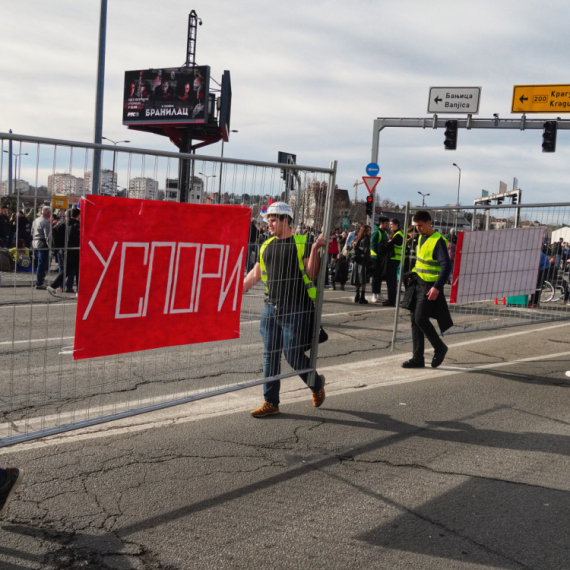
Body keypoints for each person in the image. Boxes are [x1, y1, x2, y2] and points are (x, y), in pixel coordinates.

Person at [243, 202, 327, 418]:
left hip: (296, 307)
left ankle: (316, 383)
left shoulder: (302, 242)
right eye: (267, 220)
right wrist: (234, 291)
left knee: (292, 354)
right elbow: (255, 273)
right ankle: (271, 402)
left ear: (285, 220)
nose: (269, 224)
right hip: (270, 308)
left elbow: (312, 273)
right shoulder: (266, 244)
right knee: (269, 356)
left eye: (273, 219)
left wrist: (316, 249)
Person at [402, 210, 453, 369]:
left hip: (430, 286)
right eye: (416, 226)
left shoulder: (437, 240)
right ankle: (418, 358)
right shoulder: (421, 238)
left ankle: (440, 347)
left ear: (429, 222)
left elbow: (446, 267)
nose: (418, 229)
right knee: (414, 321)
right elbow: (421, 262)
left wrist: (437, 288)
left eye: (420, 226)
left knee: (420, 319)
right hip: (418, 283)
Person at [47, 207, 80, 296]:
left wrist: (57, 247)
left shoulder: (60, 223)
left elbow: (53, 233)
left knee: (67, 270)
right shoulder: (77, 225)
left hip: (63, 251)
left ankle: (53, 286)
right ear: (78, 215)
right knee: (78, 271)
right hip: (75, 251)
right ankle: (79, 291)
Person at [383, 218, 404, 307]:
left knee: (391, 282)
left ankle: (391, 300)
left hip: (394, 259)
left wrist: (388, 242)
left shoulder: (398, 235)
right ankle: (390, 299)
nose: (390, 226)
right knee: (390, 281)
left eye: (391, 224)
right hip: (393, 259)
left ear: (396, 225)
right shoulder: (395, 234)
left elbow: (389, 245)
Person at [30, 206, 52, 289]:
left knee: (40, 262)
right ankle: (39, 282)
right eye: (50, 212)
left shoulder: (36, 220)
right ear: (47, 212)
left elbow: (32, 231)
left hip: (35, 242)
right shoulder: (46, 221)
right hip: (42, 243)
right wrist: (51, 246)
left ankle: (41, 278)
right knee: (42, 264)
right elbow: (48, 235)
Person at [350, 225, 372, 304]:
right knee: (363, 280)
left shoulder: (358, 238)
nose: (370, 232)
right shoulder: (366, 239)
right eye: (368, 230)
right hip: (363, 261)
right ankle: (362, 297)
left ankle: (357, 295)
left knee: (357, 279)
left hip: (357, 261)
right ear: (365, 231)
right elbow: (366, 251)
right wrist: (369, 261)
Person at [370, 217, 389, 303]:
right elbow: (373, 245)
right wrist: (375, 256)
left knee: (380, 277)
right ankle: (374, 294)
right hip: (376, 258)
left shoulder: (384, 232)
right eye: (386, 223)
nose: (387, 225)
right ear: (381, 223)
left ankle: (378, 293)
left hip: (382, 258)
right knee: (376, 277)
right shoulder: (376, 232)